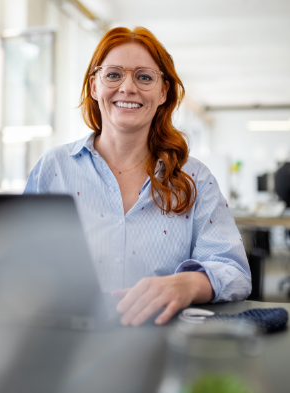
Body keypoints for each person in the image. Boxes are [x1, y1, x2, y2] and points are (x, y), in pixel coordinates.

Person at [24, 27, 251, 326]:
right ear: (94, 86)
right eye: (114, 75)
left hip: (163, 346)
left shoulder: (195, 178)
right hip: (69, 342)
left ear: (162, 92)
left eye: (144, 77)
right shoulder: (52, 168)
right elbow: (20, 263)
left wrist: (188, 284)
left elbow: (234, 271)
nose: (128, 87)